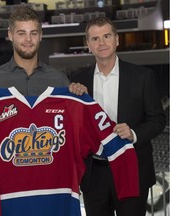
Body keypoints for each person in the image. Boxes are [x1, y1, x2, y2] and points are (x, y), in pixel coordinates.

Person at [70, 17, 166, 216]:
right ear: (88, 45)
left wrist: (133, 133)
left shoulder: (142, 76)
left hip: (131, 169)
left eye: (106, 36)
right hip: (94, 173)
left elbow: (158, 120)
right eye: (95, 38)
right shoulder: (78, 82)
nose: (101, 43)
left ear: (117, 39)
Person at [0, 5, 87, 106]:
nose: (28, 39)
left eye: (33, 33)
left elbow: (74, 122)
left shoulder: (59, 80)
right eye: (21, 33)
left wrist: (82, 98)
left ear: (40, 36)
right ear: (10, 35)